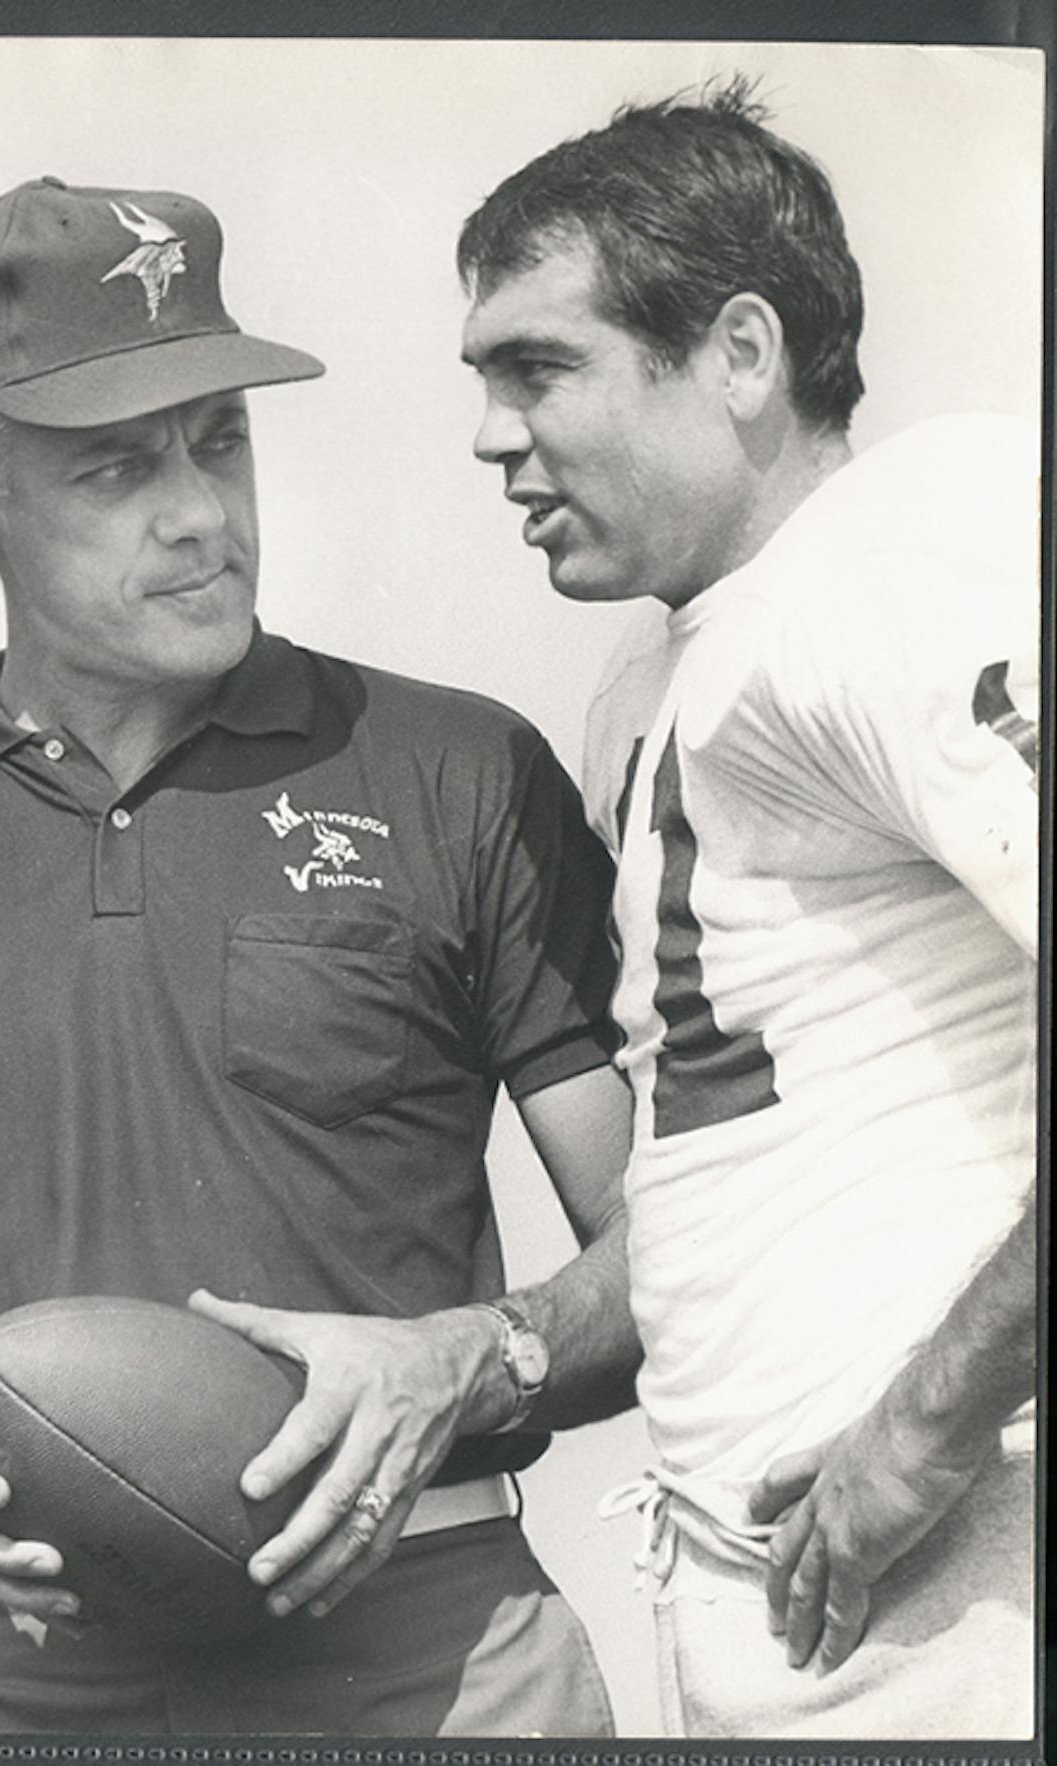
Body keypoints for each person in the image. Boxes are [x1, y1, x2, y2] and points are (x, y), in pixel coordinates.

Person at [0, 176, 639, 1736]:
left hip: (425, 1660)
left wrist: (462, 1361)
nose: (201, 513)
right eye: (120, 464)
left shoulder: (458, 774)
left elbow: (680, 1245)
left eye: (221, 439)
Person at [457, 79, 1040, 1740]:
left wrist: (925, 1429)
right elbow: (715, 1155)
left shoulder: (910, 555)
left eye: (540, 367)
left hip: (965, 1603)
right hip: (772, 1602)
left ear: (740, 352)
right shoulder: (654, 681)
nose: (494, 434)